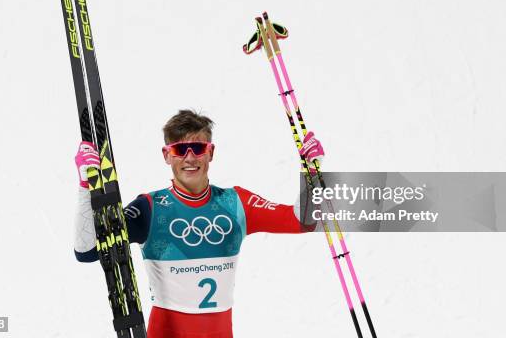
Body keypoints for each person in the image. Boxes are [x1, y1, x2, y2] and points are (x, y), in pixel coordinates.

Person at [73, 109, 324, 338]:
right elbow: (87, 251)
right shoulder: (150, 207)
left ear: (211, 152)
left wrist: (313, 173)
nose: (190, 158)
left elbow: (301, 221)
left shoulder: (236, 203)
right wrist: (86, 186)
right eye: (180, 150)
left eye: (198, 148)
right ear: (167, 155)